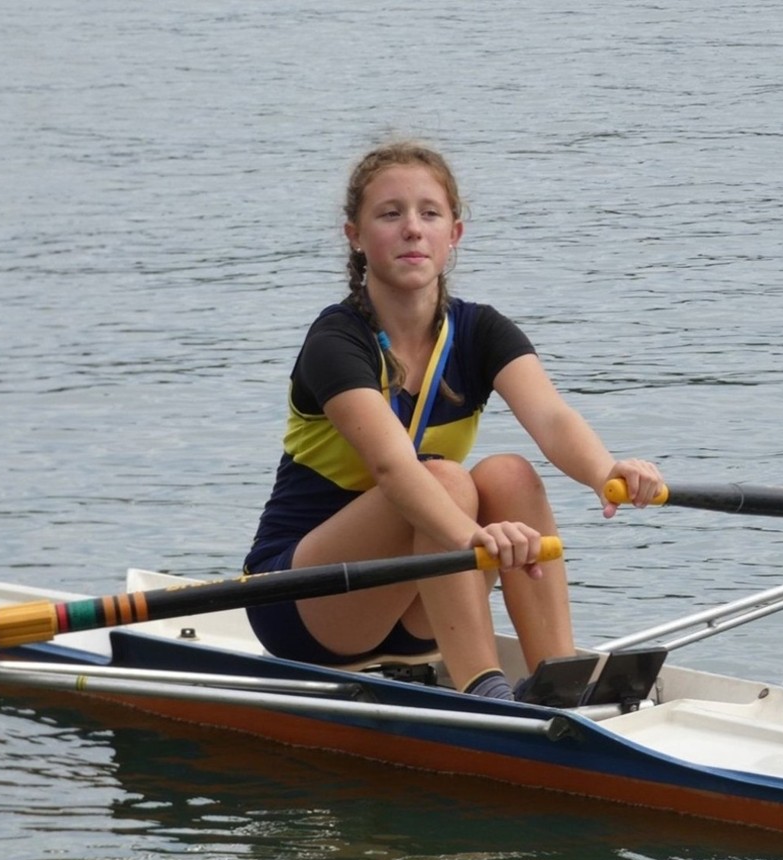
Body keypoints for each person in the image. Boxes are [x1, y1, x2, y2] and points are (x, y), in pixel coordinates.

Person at [243, 141, 664, 701]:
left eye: (429, 213)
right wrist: (475, 539)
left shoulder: (481, 332)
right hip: (304, 604)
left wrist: (607, 473)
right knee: (442, 478)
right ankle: (483, 688)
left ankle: (559, 679)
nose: (412, 229)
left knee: (510, 474)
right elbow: (393, 468)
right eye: (390, 214)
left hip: (420, 601)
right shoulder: (336, 342)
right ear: (355, 236)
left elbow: (553, 418)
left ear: (454, 235)